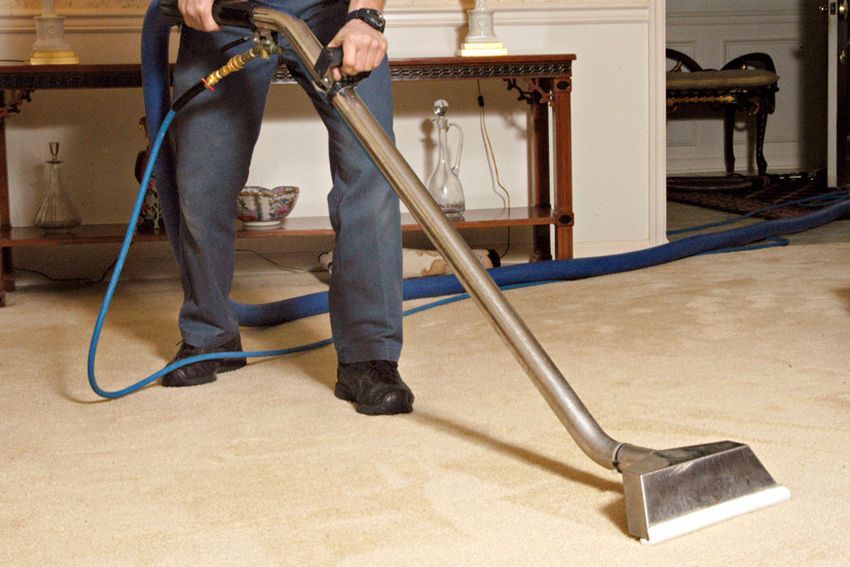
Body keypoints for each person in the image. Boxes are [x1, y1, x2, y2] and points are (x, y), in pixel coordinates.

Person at [160, 0, 413, 415]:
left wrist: (365, 16)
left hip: (333, 13)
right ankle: (211, 333)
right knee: (203, 176)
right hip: (228, 10)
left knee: (370, 166)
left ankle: (369, 355)